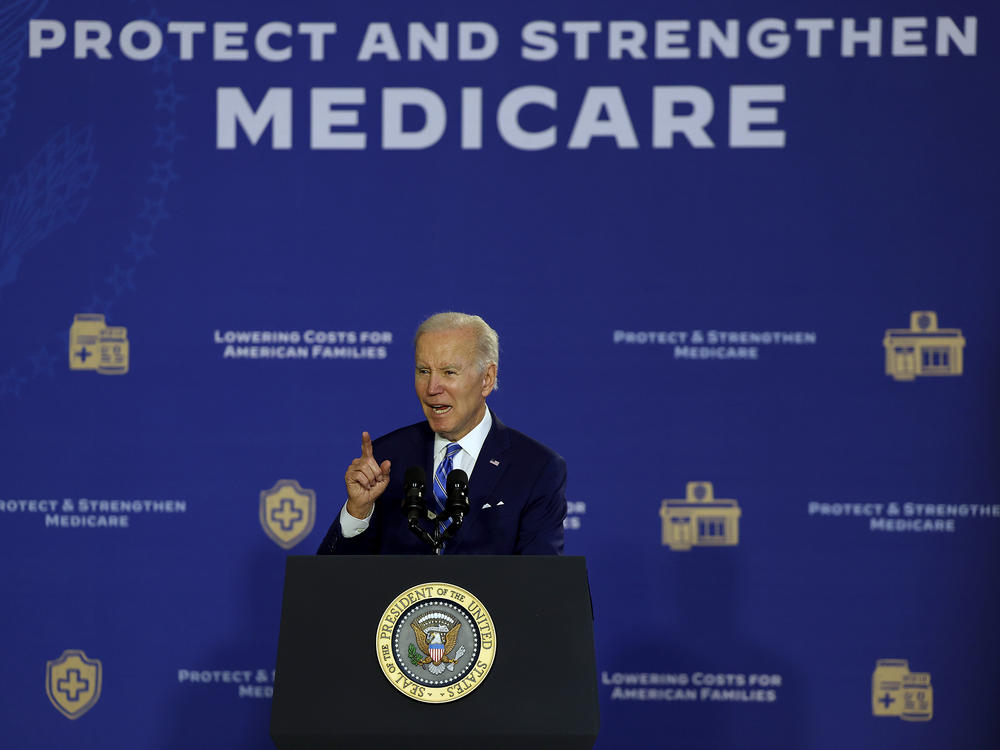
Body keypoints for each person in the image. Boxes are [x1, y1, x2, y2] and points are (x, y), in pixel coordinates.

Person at [317, 312, 566, 555]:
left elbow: (542, 585)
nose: (432, 388)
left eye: (449, 372)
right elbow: (330, 585)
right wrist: (358, 511)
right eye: (423, 371)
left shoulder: (536, 468)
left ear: (487, 379)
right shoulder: (386, 459)